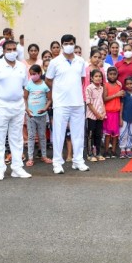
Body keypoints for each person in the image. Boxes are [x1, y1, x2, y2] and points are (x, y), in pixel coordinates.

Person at [0, 40, 32, 181]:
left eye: (14, 49)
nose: (12, 52)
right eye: (8, 49)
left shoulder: (22, 66)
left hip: (17, 105)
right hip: (0, 104)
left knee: (17, 138)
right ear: (3, 51)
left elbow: (25, 86)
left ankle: (17, 168)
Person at [45, 34, 89, 174]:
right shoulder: (55, 62)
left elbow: (82, 79)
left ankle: (78, 161)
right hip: (61, 103)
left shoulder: (80, 61)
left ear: (74, 44)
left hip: (77, 102)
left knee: (78, 134)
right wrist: (59, 90)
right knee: (59, 134)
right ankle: (57, 163)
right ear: (62, 45)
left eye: (71, 43)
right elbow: (48, 80)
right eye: (66, 43)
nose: (68, 45)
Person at [24, 64, 52, 166]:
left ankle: (44, 156)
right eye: (31, 74)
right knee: (31, 136)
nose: (32, 76)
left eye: (34, 74)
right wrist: (27, 109)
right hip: (31, 115)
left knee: (42, 136)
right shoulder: (28, 84)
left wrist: (45, 108)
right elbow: (25, 98)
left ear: (40, 73)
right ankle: (30, 158)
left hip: (42, 115)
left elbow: (50, 99)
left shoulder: (45, 85)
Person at [102, 67, 124, 159]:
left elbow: (121, 101)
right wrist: (116, 95)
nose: (112, 76)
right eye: (110, 74)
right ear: (107, 75)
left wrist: (120, 116)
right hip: (108, 112)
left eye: (114, 74)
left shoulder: (119, 86)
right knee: (107, 134)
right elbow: (104, 99)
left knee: (115, 134)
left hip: (116, 112)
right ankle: (106, 151)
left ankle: (114, 151)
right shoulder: (105, 85)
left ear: (117, 75)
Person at [86, 69, 106, 161]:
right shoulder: (89, 88)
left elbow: (102, 101)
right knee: (91, 135)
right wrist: (97, 114)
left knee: (98, 134)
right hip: (92, 116)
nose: (98, 78)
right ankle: (90, 154)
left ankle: (98, 153)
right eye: (96, 76)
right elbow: (89, 103)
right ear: (91, 78)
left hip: (100, 115)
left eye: (100, 76)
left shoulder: (101, 88)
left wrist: (103, 113)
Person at [119, 76, 132, 158]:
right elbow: (121, 106)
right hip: (124, 118)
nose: (129, 85)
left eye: (131, 83)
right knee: (123, 134)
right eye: (127, 84)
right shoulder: (124, 95)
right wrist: (120, 118)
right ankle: (123, 149)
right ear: (125, 85)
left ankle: (129, 149)